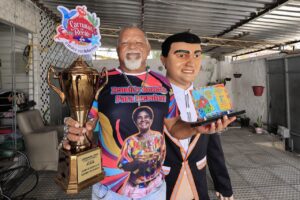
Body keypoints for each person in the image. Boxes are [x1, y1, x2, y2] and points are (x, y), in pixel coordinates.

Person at [63, 25, 235, 200]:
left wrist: (197, 128)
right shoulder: (100, 82)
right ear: (117, 50)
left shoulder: (162, 84)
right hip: (111, 190)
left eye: (138, 42)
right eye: (125, 43)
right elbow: (89, 125)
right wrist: (78, 133)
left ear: (147, 50)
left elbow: (174, 125)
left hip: (154, 191)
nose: (132, 46)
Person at [160, 32, 234, 200]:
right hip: (160, 187)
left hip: (197, 187)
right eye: (181, 55)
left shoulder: (206, 98)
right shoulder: (151, 98)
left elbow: (214, 147)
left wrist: (224, 187)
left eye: (197, 55)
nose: (190, 62)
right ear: (163, 60)